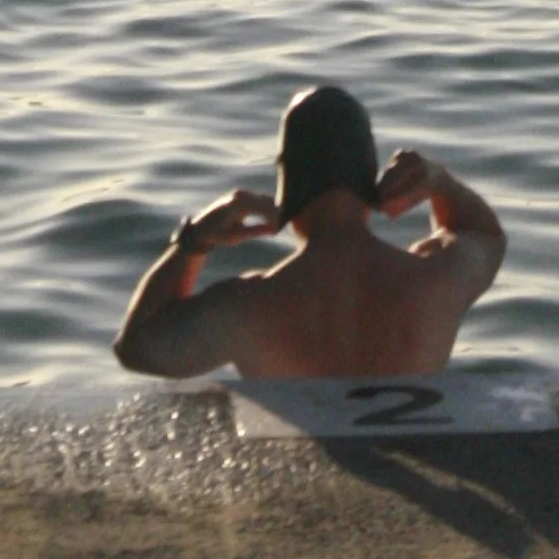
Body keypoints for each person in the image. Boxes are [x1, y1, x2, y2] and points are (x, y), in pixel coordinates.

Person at [113, 82, 505, 381]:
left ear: (287, 183)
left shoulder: (248, 306)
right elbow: (486, 237)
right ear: (372, 177)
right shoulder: (438, 279)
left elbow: (137, 349)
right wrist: (442, 184)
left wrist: (193, 242)